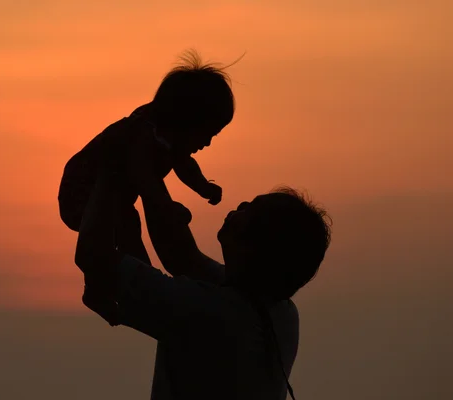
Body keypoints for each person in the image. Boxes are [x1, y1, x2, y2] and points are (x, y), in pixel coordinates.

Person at [73, 147, 332, 399]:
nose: (241, 204)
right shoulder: (280, 312)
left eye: (251, 209)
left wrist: (109, 175)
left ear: (255, 246)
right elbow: (183, 258)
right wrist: (148, 182)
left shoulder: (207, 313)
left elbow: (93, 257)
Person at [60, 50, 236, 316]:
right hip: (80, 190)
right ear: (186, 119)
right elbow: (146, 181)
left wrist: (203, 186)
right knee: (126, 227)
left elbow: (184, 165)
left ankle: (131, 282)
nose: (208, 143)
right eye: (207, 133)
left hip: (113, 198)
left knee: (125, 225)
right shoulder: (142, 134)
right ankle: (114, 286)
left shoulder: (169, 139)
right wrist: (166, 209)